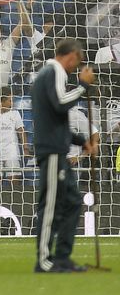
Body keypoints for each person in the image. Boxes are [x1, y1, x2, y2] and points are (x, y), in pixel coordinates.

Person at [30, 38, 97, 272]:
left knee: (73, 202)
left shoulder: (48, 74)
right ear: (72, 56)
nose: (76, 67)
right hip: (52, 152)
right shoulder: (54, 71)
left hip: (57, 150)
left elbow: (56, 120)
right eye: (77, 62)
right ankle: (45, 261)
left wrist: (82, 142)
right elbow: (60, 104)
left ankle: (62, 257)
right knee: (50, 206)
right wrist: (83, 86)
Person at [0, 86, 28, 188]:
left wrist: (25, 148)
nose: (12, 103)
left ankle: (15, 200)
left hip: (11, 150)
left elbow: (21, 131)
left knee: (14, 178)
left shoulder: (15, 114)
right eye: (9, 100)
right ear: (1, 101)